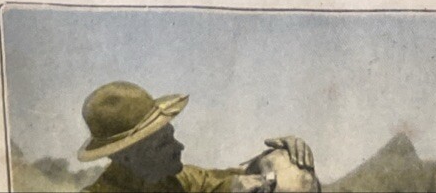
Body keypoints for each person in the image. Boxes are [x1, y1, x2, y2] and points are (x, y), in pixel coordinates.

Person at [77, 81, 317, 192]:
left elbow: (226, 181)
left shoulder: (176, 180)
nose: (179, 147)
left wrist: (276, 157)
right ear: (126, 157)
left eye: (171, 137)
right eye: (163, 144)